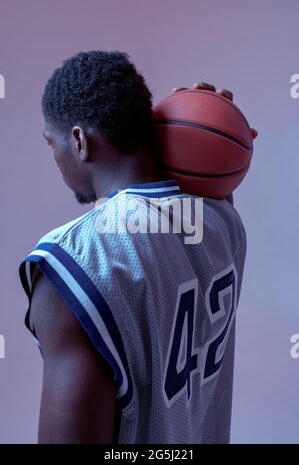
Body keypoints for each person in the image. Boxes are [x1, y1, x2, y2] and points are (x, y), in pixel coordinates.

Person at [19, 51, 257, 444]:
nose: (55, 158)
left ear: (78, 140)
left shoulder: (73, 259)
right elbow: (194, 202)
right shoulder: (222, 221)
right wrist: (208, 125)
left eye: (52, 143)